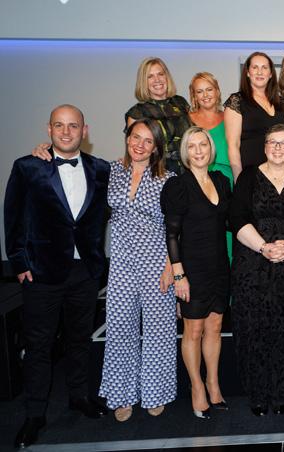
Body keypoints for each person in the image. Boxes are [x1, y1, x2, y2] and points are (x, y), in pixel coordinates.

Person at [5, 105, 110, 448]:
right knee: (39, 346)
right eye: (59, 126)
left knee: (80, 340)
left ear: (85, 130)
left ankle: (78, 397)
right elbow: (14, 217)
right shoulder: (27, 166)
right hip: (41, 273)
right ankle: (35, 414)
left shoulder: (102, 169)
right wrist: (19, 262)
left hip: (85, 272)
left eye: (73, 126)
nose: (66, 132)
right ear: (48, 130)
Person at [229, 124, 284, 416]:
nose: (278, 148)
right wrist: (263, 247)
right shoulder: (248, 177)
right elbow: (237, 218)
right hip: (253, 264)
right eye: (273, 142)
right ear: (265, 146)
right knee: (255, 328)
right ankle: (258, 393)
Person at [98, 119, 177, 421]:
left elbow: (175, 226)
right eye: (135, 137)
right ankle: (122, 394)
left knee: (159, 331)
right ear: (127, 138)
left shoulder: (168, 179)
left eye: (147, 141)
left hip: (157, 262)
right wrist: (44, 150)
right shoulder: (111, 171)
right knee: (119, 328)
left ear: (156, 147)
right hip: (121, 263)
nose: (140, 145)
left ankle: (156, 392)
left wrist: (171, 266)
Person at [161, 127, 232, 419]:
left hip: (220, 266)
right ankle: (196, 387)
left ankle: (213, 384)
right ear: (185, 152)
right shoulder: (178, 186)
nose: (199, 151)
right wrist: (179, 275)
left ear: (211, 148)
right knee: (194, 330)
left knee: (215, 327)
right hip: (192, 268)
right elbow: (171, 235)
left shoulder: (221, 181)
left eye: (203, 144)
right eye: (192, 146)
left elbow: (230, 222)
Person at [189, 71, 233, 265]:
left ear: (217, 91)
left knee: (229, 238)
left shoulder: (230, 117)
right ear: (194, 96)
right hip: (198, 183)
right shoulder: (186, 119)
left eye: (209, 89)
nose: (205, 95)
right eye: (200, 91)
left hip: (228, 182)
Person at [224, 52, 284, 180]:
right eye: (255, 67)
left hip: (282, 175)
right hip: (252, 175)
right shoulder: (237, 101)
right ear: (248, 73)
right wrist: (239, 181)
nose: (260, 72)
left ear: (270, 74)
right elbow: (233, 145)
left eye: (264, 68)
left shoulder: (281, 103)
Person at [125, 57, 192, 174]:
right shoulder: (137, 113)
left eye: (160, 74)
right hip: (157, 174)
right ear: (144, 82)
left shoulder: (181, 103)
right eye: (150, 76)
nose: (157, 80)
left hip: (188, 170)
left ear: (167, 77)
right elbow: (134, 152)